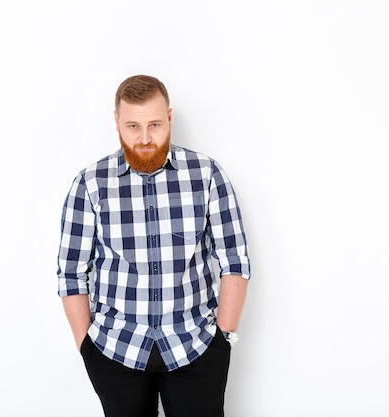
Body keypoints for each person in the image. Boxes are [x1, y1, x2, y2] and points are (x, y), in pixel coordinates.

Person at [57, 74, 250, 417]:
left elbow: (234, 260)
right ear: (116, 121)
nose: (145, 138)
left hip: (196, 346)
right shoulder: (90, 185)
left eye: (155, 125)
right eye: (132, 126)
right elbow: (71, 273)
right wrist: (87, 346)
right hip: (116, 349)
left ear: (170, 118)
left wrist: (224, 337)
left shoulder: (206, 175)